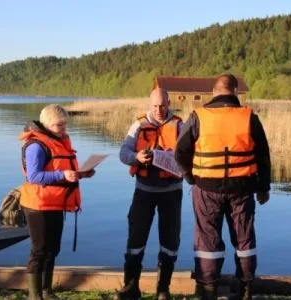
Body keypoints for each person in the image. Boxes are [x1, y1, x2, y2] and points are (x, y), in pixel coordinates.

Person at [175, 74, 271, 300]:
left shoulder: (198, 116)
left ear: (214, 92)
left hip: (206, 189)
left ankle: (208, 290)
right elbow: (263, 156)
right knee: (244, 239)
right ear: (235, 92)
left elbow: (180, 152)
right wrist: (263, 188)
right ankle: (245, 290)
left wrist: (190, 177)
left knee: (208, 239)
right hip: (243, 188)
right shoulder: (249, 117)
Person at [18, 104, 95, 300]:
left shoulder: (60, 141)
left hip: (55, 203)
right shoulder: (36, 145)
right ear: (46, 125)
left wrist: (81, 174)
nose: (64, 129)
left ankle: (46, 290)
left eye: (65, 125)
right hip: (37, 205)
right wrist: (63, 174)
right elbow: (34, 176)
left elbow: (62, 171)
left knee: (53, 249)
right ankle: (34, 295)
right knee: (39, 251)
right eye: (59, 125)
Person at [116, 88, 183, 300]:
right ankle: (131, 287)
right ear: (150, 105)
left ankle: (163, 290)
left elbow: (191, 155)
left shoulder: (180, 125)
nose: (159, 110)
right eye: (155, 106)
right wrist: (137, 157)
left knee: (170, 241)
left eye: (163, 105)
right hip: (143, 191)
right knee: (136, 239)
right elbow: (123, 154)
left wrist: (177, 160)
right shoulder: (138, 125)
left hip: (171, 193)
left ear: (169, 103)